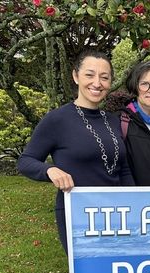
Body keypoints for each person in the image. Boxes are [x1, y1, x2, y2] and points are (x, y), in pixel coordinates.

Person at [17, 50, 135, 252]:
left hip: (117, 212)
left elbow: (122, 169)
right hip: (77, 213)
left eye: (104, 77)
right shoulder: (57, 120)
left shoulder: (114, 120)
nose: (97, 83)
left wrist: (136, 203)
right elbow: (25, 160)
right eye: (89, 75)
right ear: (75, 76)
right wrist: (49, 170)